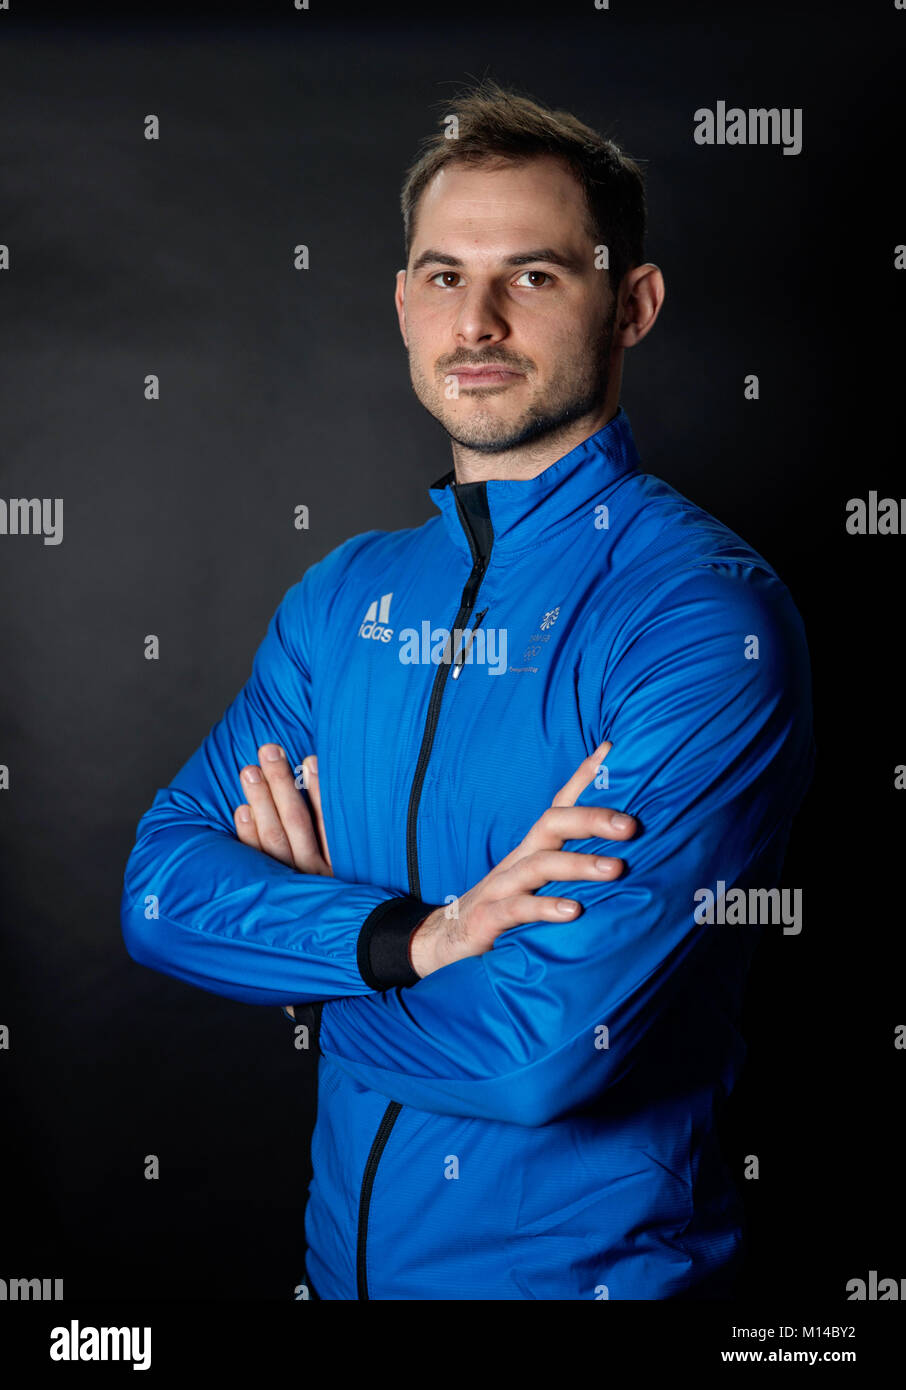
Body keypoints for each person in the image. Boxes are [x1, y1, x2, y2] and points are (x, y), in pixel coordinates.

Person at [121, 79, 815, 1300]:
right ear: (402, 302)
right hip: (342, 1274)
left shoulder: (701, 621)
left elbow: (543, 1053)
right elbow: (161, 892)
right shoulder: (344, 599)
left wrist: (317, 952)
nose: (478, 319)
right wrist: (414, 937)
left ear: (632, 305)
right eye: (444, 275)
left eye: (535, 275)